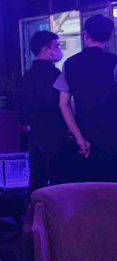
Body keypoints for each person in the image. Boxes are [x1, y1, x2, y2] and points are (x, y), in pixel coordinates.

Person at [54, 14, 117, 180]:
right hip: (112, 136)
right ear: (109, 37)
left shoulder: (70, 63)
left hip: (84, 135)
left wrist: (78, 137)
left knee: (88, 188)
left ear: (86, 35)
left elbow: (63, 104)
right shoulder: (114, 62)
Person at [17, 30, 67, 190]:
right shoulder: (56, 75)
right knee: (58, 181)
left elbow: (22, 107)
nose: (58, 50)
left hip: (34, 134)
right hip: (56, 133)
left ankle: (35, 206)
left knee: (37, 179)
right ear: (45, 50)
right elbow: (62, 104)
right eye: (56, 46)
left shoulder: (27, 77)